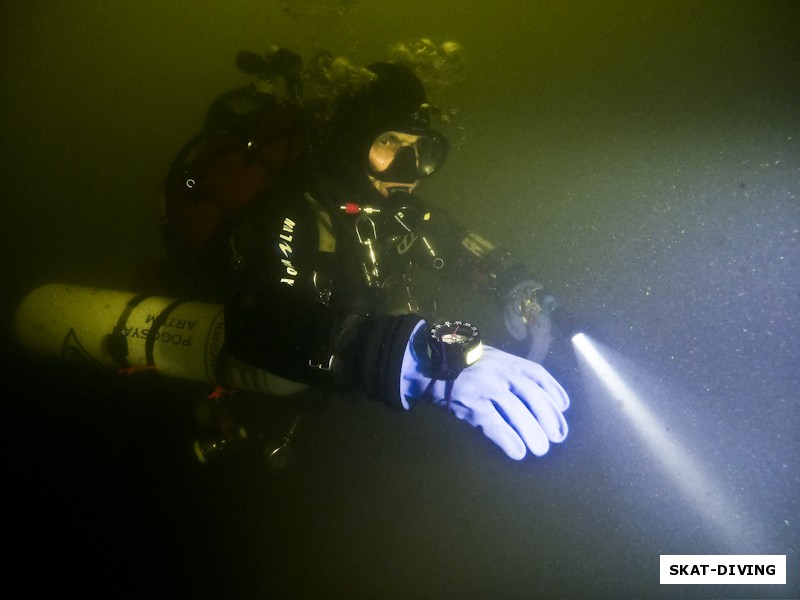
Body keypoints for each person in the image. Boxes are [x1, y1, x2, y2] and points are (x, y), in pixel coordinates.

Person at [160, 45, 570, 461]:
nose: (408, 168)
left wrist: (519, 287)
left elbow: (453, 243)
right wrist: (404, 358)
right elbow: (256, 323)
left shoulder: (400, 207)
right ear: (355, 139)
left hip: (349, 386)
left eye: (419, 148)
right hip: (272, 383)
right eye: (389, 141)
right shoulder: (296, 209)